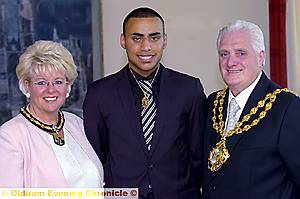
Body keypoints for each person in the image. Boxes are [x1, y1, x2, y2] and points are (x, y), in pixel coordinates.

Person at [83, 7, 206, 199]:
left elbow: (197, 153)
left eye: (154, 37)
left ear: (164, 40)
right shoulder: (100, 94)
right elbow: (97, 156)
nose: (146, 47)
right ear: (123, 41)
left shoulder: (189, 89)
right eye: (137, 38)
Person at [202, 20, 300, 199]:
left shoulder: (286, 106)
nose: (231, 62)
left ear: (261, 57)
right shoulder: (212, 103)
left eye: (241, 53)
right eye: (224, 54)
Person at [0, 40, 104, 188]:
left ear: (68, 86)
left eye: (58, 82)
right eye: (41, 82)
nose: (51, 90)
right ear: (26, 86)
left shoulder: (76, 124)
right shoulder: (10, 136)